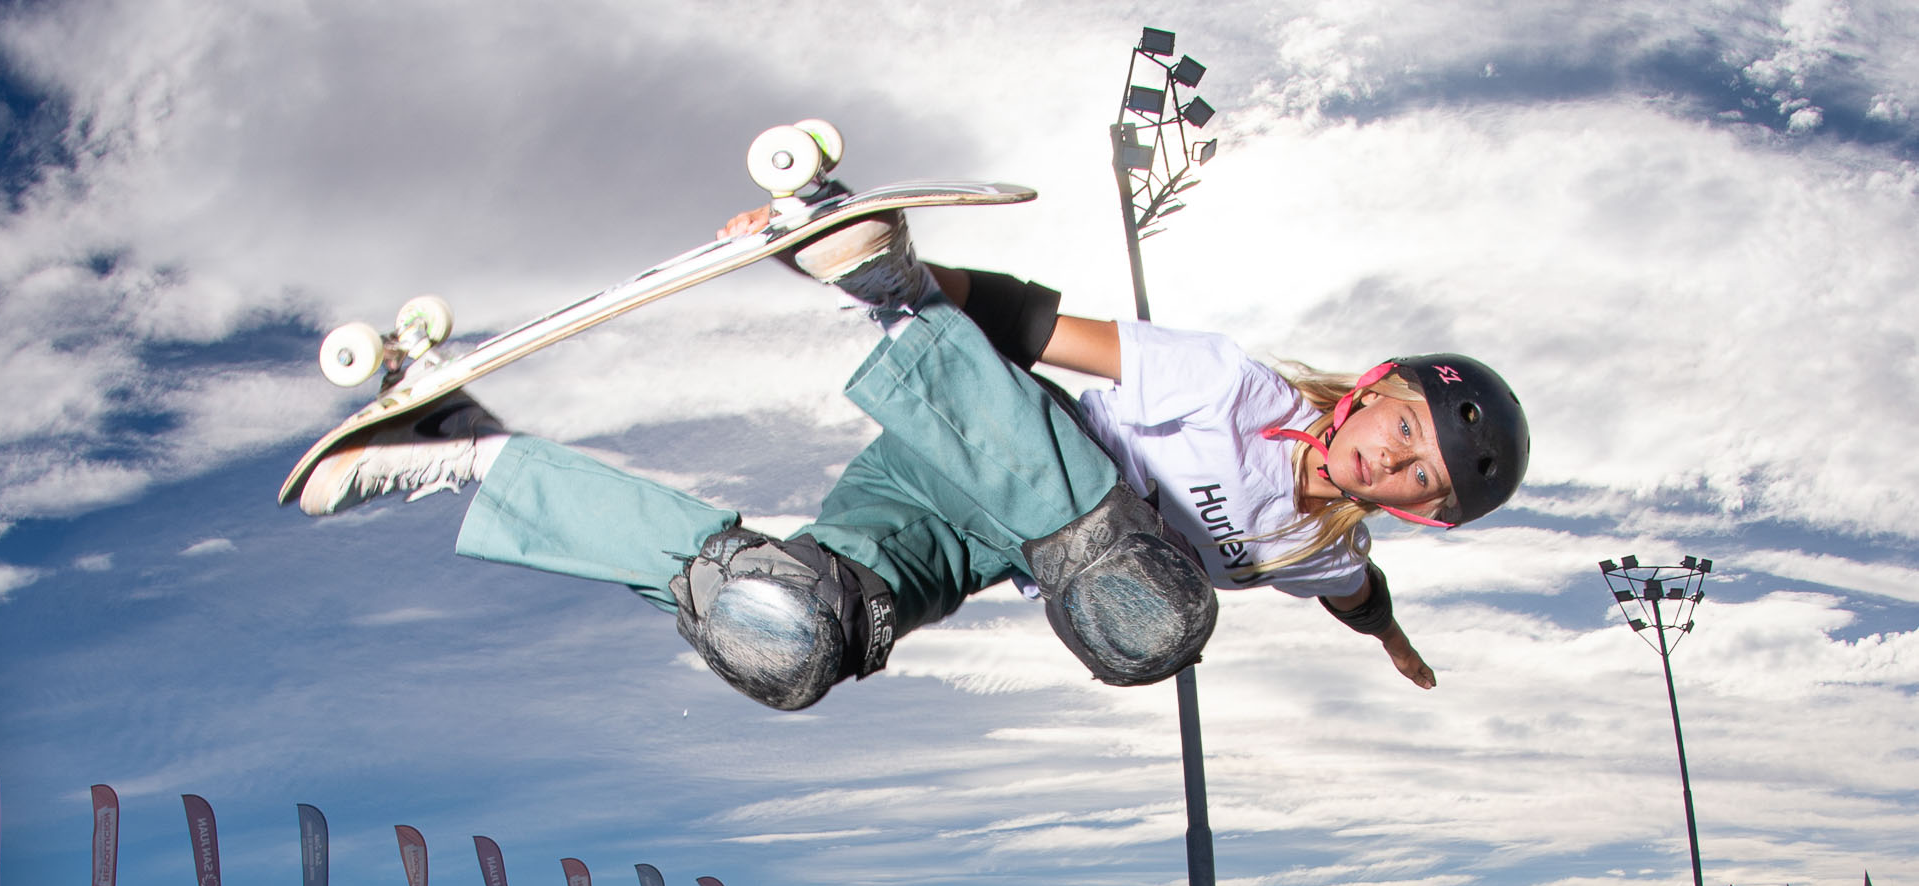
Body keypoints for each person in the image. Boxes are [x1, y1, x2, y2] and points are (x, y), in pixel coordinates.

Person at [295, 185, 1527, 713]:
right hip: (978, 431)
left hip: (961, 530)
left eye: (1416, 476)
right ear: (1367, 391)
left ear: (1416, 510)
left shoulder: (1315, 548)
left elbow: (1358, 600)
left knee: (787, 636)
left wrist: (1398, 648)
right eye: (1401, 427)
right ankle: (887, 292)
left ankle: (464, 451)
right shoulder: (1233, 384)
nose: (1389, 460)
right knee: (1142, 601)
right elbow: (1048, 330)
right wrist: (886, 275)